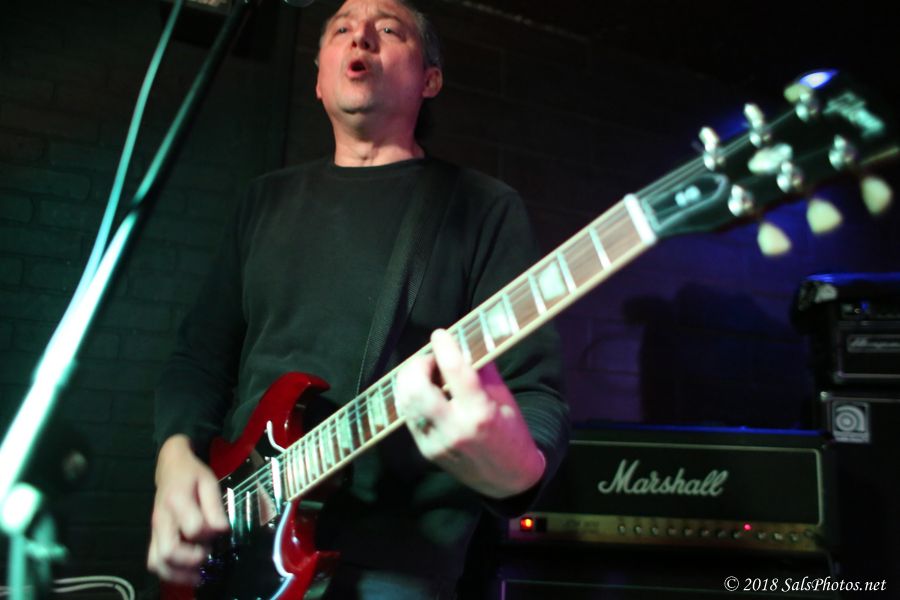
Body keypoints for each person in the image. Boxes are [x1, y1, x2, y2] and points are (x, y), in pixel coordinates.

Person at [146, 0, 569, 597]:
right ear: (319, 80)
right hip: (233, 549)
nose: (361, 36)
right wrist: (174, 459)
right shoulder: (265, 201)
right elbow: (199, 357)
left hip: (396, 568)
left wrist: (518, 470)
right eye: (341, 28)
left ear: (430, 80)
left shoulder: (481, 206)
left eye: (388, 29)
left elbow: (536, 391)